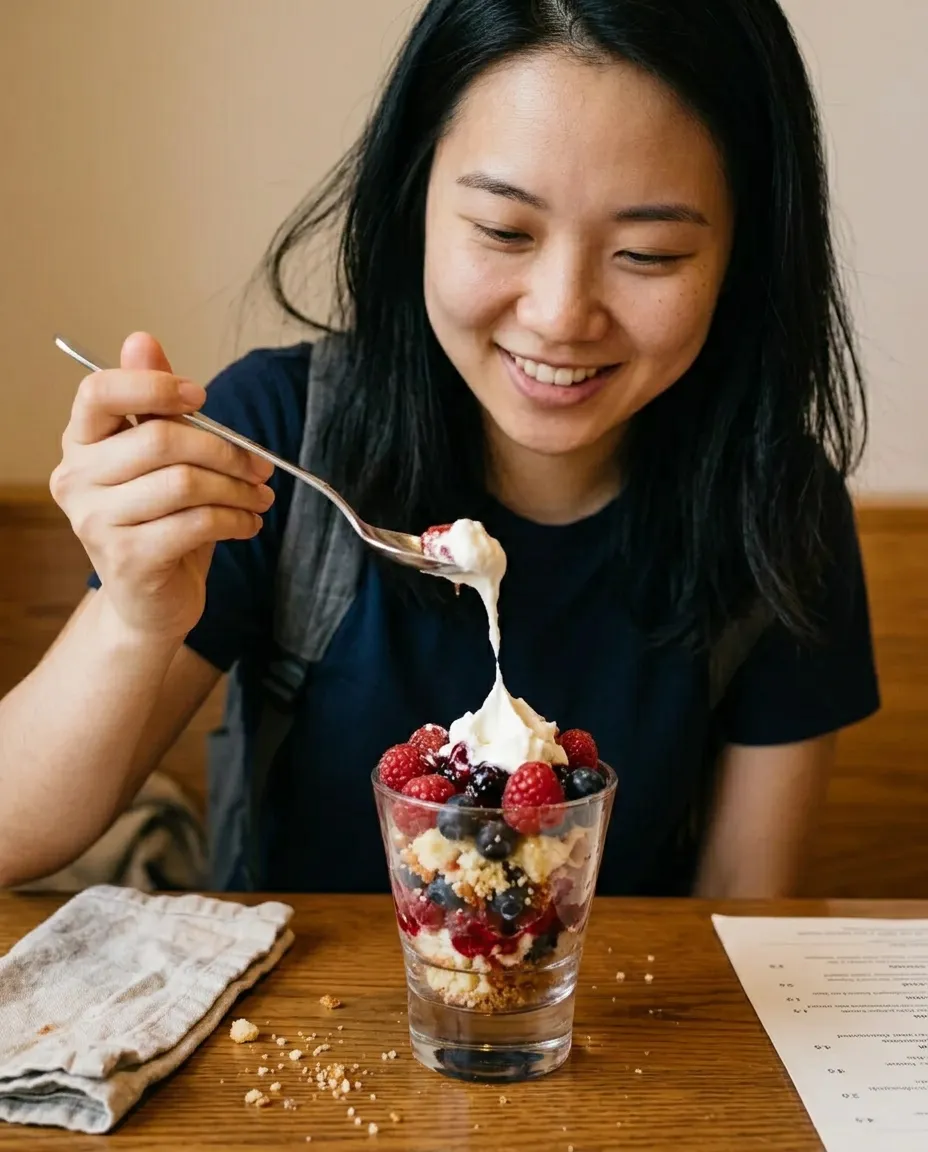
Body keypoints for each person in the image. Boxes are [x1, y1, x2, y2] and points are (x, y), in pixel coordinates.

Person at [0, 0, 879, 897]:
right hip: (291, 1023)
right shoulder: (279, 437)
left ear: (744, 256)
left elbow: (742, 913)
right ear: (412, 195)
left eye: (649, 253)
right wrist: (135, 618)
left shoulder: (777, 508)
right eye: (504, 231)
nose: (561, 314)